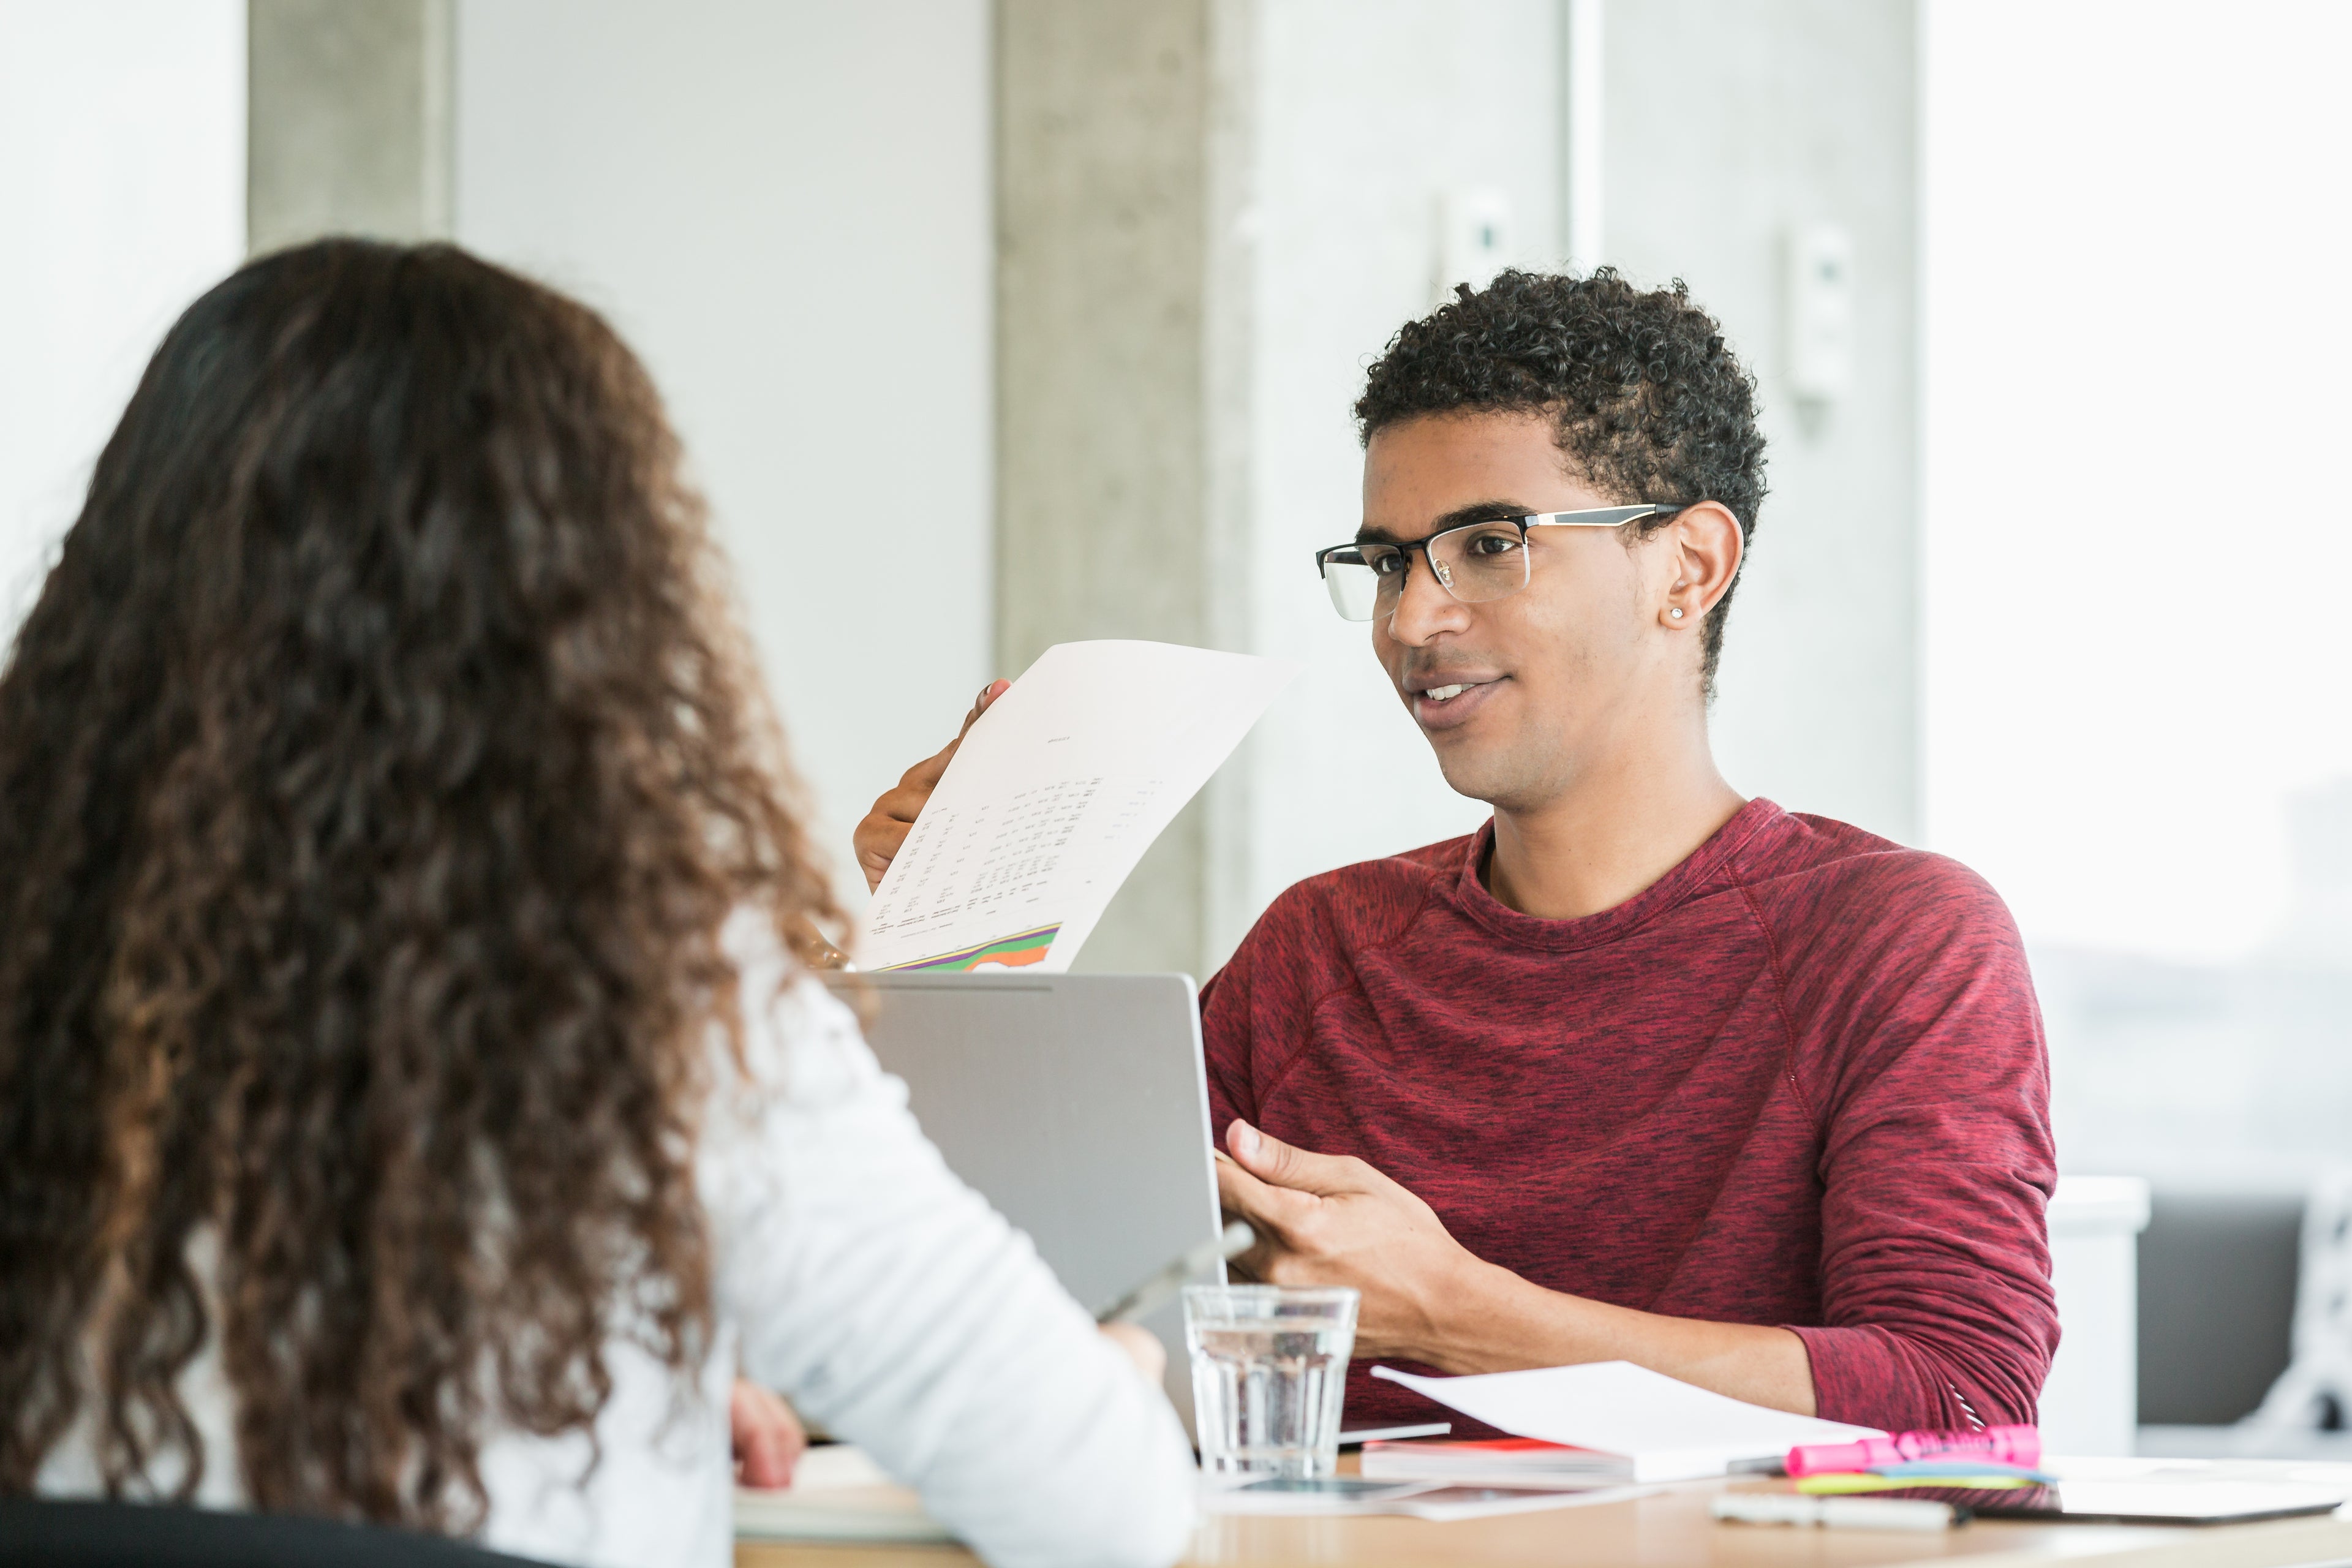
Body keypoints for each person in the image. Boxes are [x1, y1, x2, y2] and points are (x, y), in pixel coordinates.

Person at [0, 240, 1194, 1568]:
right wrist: (1131, 1360)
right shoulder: (664, 1006)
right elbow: (1108, 1508)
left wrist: (669, 1369)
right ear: (581, 603)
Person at [854, 269, 2057, 1438]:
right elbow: (1035, 1304)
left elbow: (1959, 1389)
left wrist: (1467, 1314)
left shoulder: (1898, 940)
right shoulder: (1323, 951)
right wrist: (933, 962)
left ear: (1688, 569)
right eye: (1388, 560)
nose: (1413, 621)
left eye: (1489, 544)